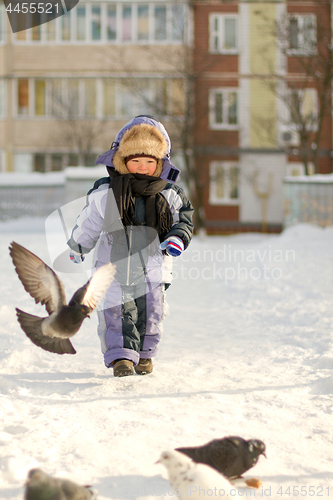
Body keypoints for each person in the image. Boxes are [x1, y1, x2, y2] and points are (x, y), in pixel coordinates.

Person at [67, 115, 194, 377]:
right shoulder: (106, 192)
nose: (142, 167)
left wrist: (177, 237)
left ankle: (145, 354)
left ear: (160, 163)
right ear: (122, 161)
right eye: (135, 160)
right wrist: (79, 245)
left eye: (149, 161)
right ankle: (121, 357)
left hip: (153, 265)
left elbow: (184, 219)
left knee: (151, 310)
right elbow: (89, 222)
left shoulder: (169, 193)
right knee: (115, 308)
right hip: (113, 264)